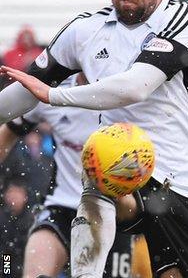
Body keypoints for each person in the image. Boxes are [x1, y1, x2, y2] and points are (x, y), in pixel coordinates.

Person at [0, 0, 188, 278]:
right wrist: (38, 93)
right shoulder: (85, 29)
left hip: (180, 183)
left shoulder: (186, 18)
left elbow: (135, 88)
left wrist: (53, 95)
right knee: (101, 164)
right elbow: (24, 91)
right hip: (119, 176)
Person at [0, 73, 138, 278]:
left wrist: (115, 188)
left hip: (111, 212)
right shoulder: (51, 93)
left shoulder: (126, 95)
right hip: (60, 208)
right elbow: (6, 134)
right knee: (24, 269)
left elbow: (132, 208)